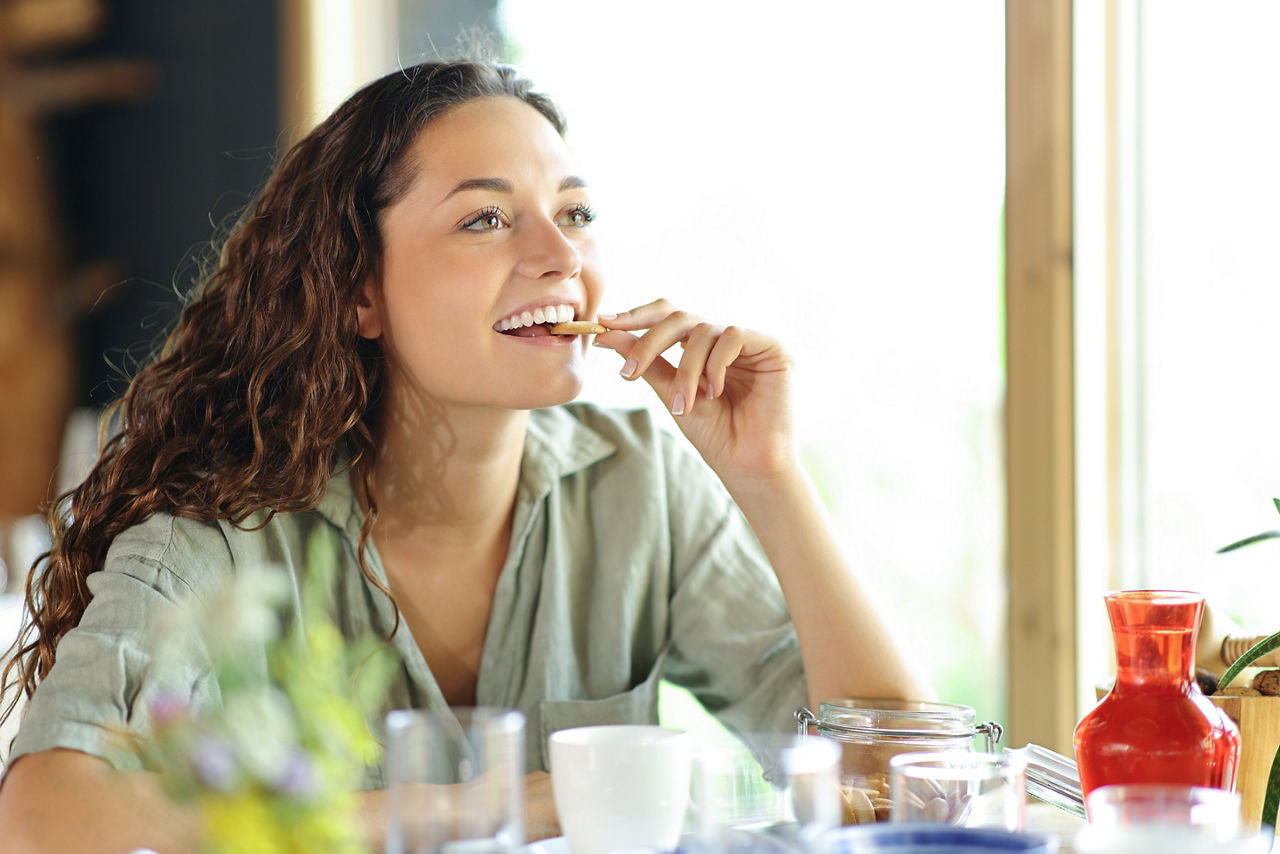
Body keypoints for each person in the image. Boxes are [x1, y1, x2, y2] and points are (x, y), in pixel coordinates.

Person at [0, 59, 933, 851]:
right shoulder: (222, 537)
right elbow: (42, 812)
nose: (557, 254)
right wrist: (477, 807)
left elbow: (905, 780)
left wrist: (769, 477)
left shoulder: (640, 484)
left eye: (575, 212)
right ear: (358, 290)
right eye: (486, 219)